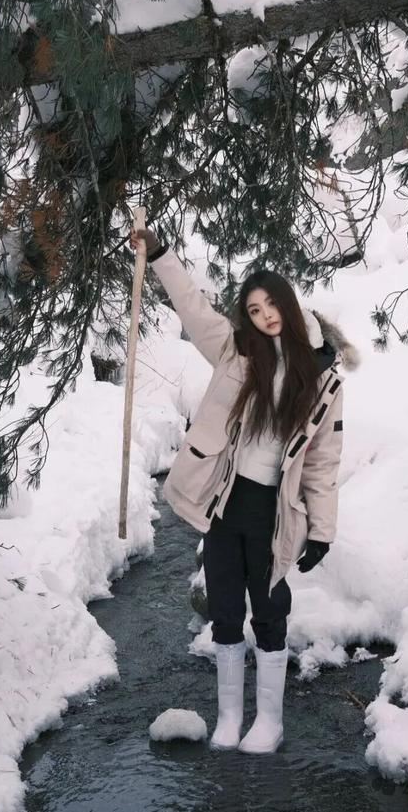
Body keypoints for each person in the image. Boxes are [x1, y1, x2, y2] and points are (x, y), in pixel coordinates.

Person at [129, 226, 359, 755]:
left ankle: (270, 721)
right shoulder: (236, 354)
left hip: (274, 511)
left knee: (270, 610)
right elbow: (192, 308)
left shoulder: (323, 379)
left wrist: (321, 530)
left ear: (287, 300)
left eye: (270, 304)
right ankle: (231, 718)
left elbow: (323, 462)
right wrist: (161, 254)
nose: (264, 316)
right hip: (225, 504)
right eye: (253, 310)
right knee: (226, 608)